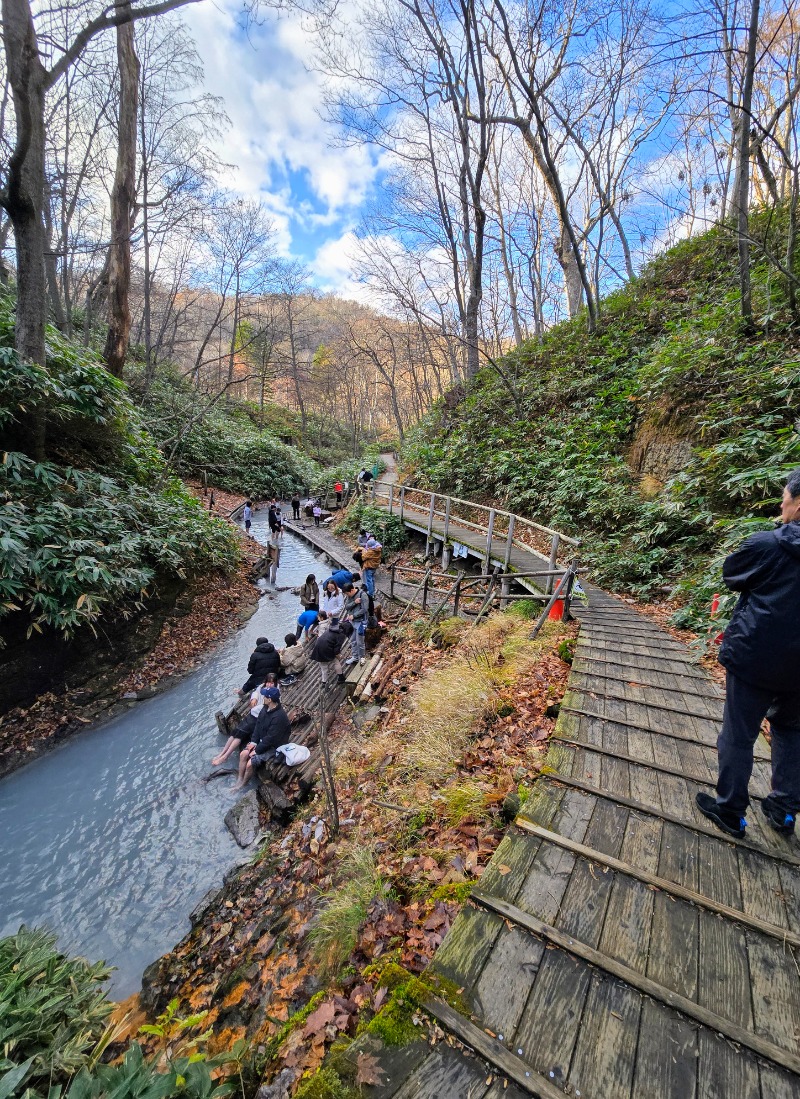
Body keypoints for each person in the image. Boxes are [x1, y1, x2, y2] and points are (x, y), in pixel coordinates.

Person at [696, 468, 800, 838]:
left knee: (739, 733)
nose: (782, 501)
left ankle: (730, 810)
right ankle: (784, 810)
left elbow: (732, 574)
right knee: (791, 731)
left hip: (756, 655)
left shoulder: (767, 544)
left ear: (797, 501)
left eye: (785, 495)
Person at [233, 687, 293, 790]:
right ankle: (239, 779)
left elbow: (271, 739)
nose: (263, 697)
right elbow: (258, 726)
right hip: (262, 741)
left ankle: (243, 785)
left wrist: (256, 750)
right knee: (243, 754)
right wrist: (253, 742)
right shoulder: (265, 708)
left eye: (265, 696)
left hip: (275, 746)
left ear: (270, 699)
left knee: (250, 763)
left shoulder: (278, 717)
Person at [212, 673, 277, 766]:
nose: (269, 685)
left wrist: (254, 707)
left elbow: (267, 708)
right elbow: (256, 692)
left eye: (272, 683)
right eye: (268, 682)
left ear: (275, 683)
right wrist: (254, 699)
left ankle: (225, 756)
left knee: (240, 735)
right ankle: (222, 753)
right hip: (252, 715)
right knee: (235, 732)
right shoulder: (262, 687)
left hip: (259, 718)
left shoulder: (274, 693)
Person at [310, 617, 347, 685]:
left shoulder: (331, 629)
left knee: (324, 668)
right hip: (326, 649)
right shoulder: (341, 635)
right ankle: (341, 678)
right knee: (336, 661)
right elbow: (336, 650)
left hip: (318, 647)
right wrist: (339, 656)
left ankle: (324, 682)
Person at [342, 582, 369, 666]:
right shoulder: (350, 597)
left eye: (347, 593)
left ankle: (362, 658)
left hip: (360, 622)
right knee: (353, 640)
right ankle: (355, 656)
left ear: (351, 590)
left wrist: (354, 616)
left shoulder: (362, 595)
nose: (347, 595)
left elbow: (365, 609)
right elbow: (346, 606)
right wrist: (355, 602)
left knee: (360, 642)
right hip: (352, 622)